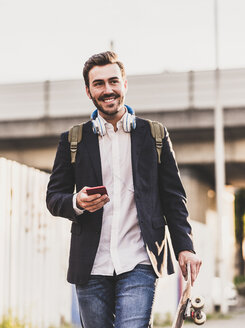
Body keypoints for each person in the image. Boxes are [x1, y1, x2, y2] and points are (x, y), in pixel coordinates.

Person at [46, 51, 202, 328]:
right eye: (99, 84)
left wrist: (185, 248)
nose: (108, 90)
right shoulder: (72, 140)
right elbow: (54, 198)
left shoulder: (154, 134)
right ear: (88, 91)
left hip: (140, 260)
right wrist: (77, 202)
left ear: (125, 84)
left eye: (113, 81)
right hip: (90, 265)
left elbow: (173, 198)